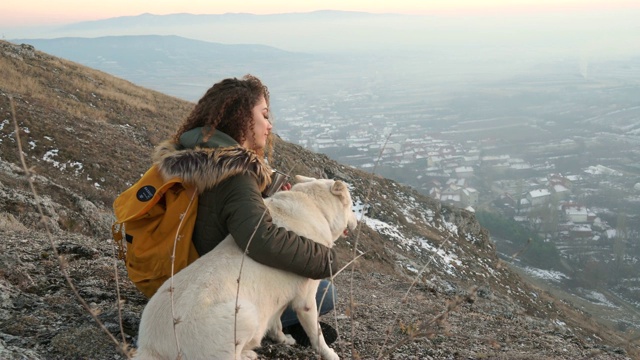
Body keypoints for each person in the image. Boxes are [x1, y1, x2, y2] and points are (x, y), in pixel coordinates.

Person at [153, 74, 337, 344]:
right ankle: (274, 327)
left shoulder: (192, 154)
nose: (269, 125)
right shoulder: (236, 177)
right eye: (264, 115)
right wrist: (325, 259)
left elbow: (223, 208)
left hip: (181, 277)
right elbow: (260, 239)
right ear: (242, 119)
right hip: (211, 295)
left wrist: (263, 186)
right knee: (325, 293)